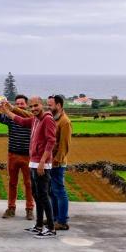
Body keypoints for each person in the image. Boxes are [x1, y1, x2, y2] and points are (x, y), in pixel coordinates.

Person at [0, 96, 57, 237]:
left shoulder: (47, 119)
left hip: (41, 163)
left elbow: (51, 141)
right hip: (34, 161)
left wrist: (43, 161)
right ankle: (38, 225)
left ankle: (50, 228)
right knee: (37, 194)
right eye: (31, 107)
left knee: (43, 195)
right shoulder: (35, 119)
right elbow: (21, 120)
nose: (33, 109)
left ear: (42, 105)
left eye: (36, 105)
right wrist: (6, 111)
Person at [0, 94, 34, 220]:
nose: (19, 106)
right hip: (12, 154)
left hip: (27, 157)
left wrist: (10, 109)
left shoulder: (30, 118)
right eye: (17, 104)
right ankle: (11, 208)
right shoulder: (11, 118)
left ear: (26, 105)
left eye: (22, 104)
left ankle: (29, 209)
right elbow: (1, 118)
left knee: (29, 183)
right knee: (12, 183)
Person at [48, 94, 72, 231]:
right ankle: (55, 218)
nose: (48, 107)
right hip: (50, 162)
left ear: (58, 105)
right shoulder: (53, 118)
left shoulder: (65, 122)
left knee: (59, 191)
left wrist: (57, 160)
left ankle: (62, 221)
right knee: (52, 191)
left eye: (50, 105)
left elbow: (64, 145)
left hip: (57, 163)